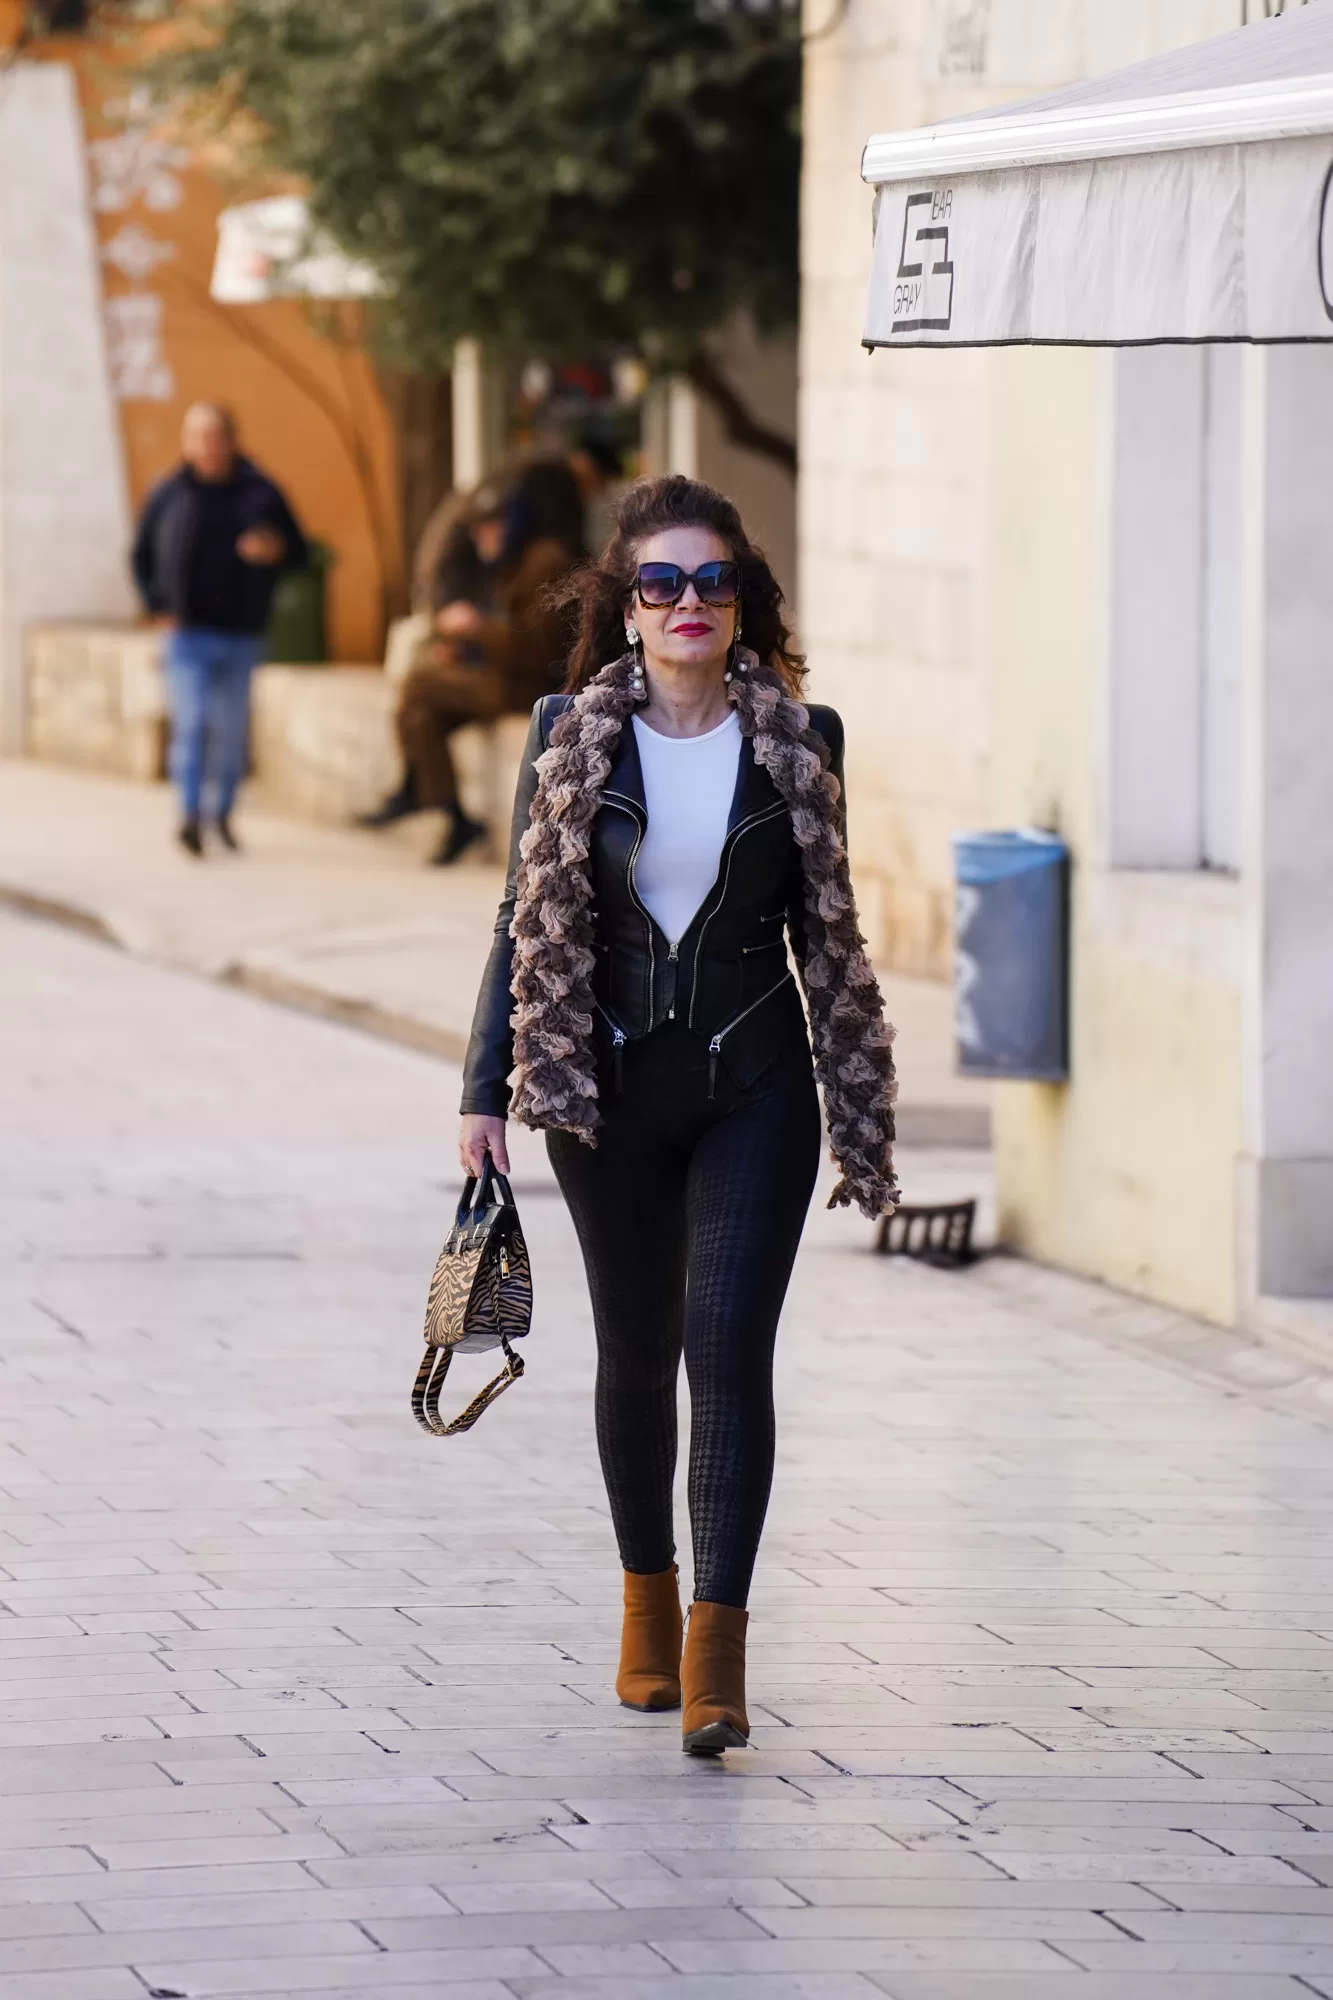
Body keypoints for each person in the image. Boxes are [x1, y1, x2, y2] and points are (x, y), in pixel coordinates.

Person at [458, 475, 899, 1755]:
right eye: (662, 582)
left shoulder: (801, 738)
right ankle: (645, 1608)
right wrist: (483, 1088)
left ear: (742, 601)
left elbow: (825, 929)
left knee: (727, 1348)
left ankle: (717, 1658)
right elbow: (520, 914)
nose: (688, 601)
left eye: (712, 580)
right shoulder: (568, 733)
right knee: (638, 1354)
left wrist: (857, 1083)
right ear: (629, 607)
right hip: (602, 1093)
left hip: (755, 1085)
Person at [363, 470, 585, 864]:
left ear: (514, 522)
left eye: (489, 526)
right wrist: (464, 650)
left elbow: (536, 650)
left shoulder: (545, 562)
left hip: (534, 687)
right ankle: (454, 816)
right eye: (477, 529)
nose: (480, 536)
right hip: (507, 678)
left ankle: (414, 789)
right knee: (421, 715)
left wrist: (473, 627)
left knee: (418, 683)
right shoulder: (513, 562)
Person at [132, 404, 306, 857]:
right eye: (197, 436)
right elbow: (140, 553)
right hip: (186, 633)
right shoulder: (169, 492)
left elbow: (299, 551)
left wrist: (273, 550)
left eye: (213, 436)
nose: (206, 446)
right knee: (190, 724)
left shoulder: (261, 492)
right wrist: (156, 604)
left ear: (230, 440)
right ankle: (190, 816)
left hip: (240, 634)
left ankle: (222, 813)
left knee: (229, 733)